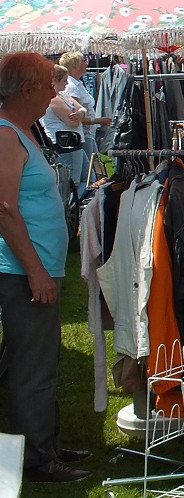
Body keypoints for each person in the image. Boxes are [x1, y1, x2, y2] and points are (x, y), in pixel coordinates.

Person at [0, 52, 91, 482]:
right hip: (21, 271)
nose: (56, 91)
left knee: (40, 361)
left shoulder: (20, 131)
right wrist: (35, 270)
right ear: (27, 88)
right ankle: (36, 460)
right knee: (31, 366)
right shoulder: (5, 134)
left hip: (32, 267)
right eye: (48, 84)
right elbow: (4, 209)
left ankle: (44, 445)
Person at [57, 53, 110, 195]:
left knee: (93, 172)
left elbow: (80, 110)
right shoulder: (71, 87)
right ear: (75, 64)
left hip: (86, 133)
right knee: (87, 176)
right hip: (80, 135)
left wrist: (82, 113)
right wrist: (98, 120)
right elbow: (75, 116)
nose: (87, 63)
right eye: (83, 60)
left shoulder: (78, 84)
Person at [40, 64, 86, 196]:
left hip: (74, 142)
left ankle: (74, 205)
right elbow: (72, 122)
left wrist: (81, 113)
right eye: (64, 80)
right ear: (55, 80)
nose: (67, 84)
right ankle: (69, 208)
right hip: (66, 144)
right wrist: (80, 115)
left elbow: (82, 109)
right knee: (70, 182)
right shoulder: (54, 99)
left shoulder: (63, 95)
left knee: (86, 177)